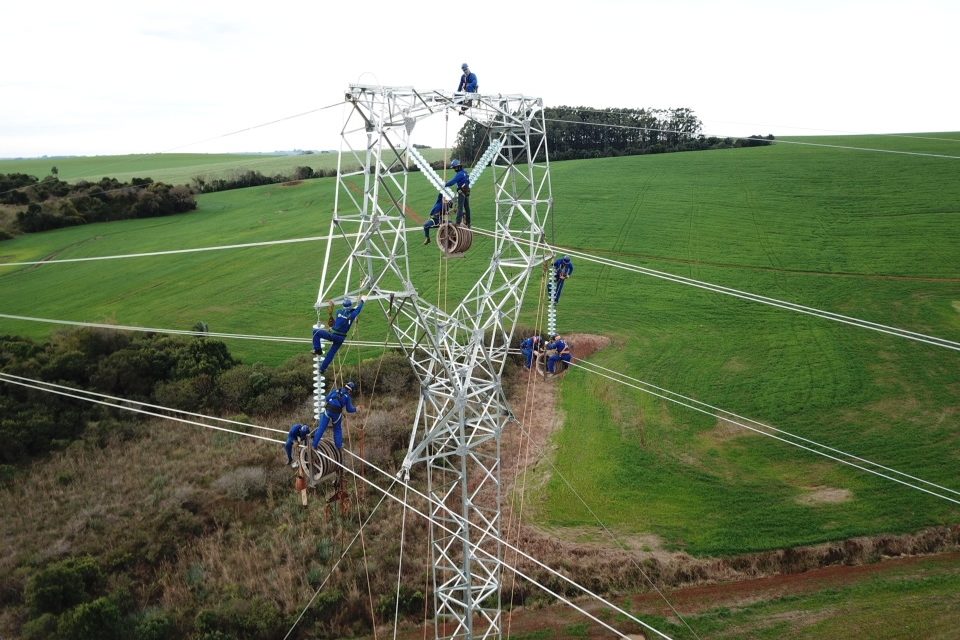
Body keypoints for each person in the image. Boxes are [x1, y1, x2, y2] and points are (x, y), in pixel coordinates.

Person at [312, 297, 365, 373]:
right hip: (341, 337)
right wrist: (362, 301)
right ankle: (322, 369)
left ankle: (318, 349)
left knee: (316, 332)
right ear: (350, 306)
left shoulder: (338, 311)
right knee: (331, 353)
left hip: (333, 334)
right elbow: (357, 310)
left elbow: (346, 313)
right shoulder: (352, 315)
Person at [312, 381, 358, 450]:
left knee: (321, 428)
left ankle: (314, 445)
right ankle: (339, 445)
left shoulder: (336, 390)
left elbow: (327, 399)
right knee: (337, 429)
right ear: (350, 390)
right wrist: (356, 409)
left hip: (328, 410)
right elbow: (349, 409)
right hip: (336, 413)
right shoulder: (347, 397)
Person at [445, 159, 471, 227]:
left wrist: (445, 184)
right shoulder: (465, 172)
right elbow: (468, 181)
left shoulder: (460, 174)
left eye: (455, 168)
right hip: (467, 191)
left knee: (460, 207)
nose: (454, 169)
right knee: (467, 208)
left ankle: (458, 223)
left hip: (462, 192)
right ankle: (468, 223)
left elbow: (453, 182)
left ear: (458, 167)